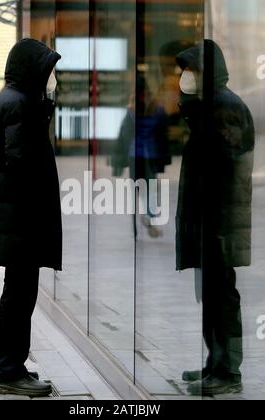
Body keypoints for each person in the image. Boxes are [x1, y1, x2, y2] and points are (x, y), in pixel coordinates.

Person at [175, 40, 255, 396]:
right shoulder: (211, 106)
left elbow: (227, 166)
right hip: (209, 220)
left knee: (222, 295)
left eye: (190, 70)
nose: (183, 77)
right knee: (211, 294)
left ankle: (228, 372)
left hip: (221, 221)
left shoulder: (226, 108)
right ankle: (215, 362)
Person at [0, 38, 63, 397]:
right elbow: (22, 166)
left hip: (19, 219)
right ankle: (8, 370)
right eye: (50, 73)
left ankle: (11, 365)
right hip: (22, 220)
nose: (55, 81)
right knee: (19, 296)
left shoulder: (17, 101)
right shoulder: (19, 106)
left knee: (18, 294)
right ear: (34, 71)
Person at [112, 76, 171, 238]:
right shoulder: (157, 109)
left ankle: (138, 223)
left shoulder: (131, 110)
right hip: (150, 154)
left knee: (137, 189)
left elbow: (124, 135)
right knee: (150, 188)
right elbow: (163, 134)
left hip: (134, 155)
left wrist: (119, 158)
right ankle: (148, 216)